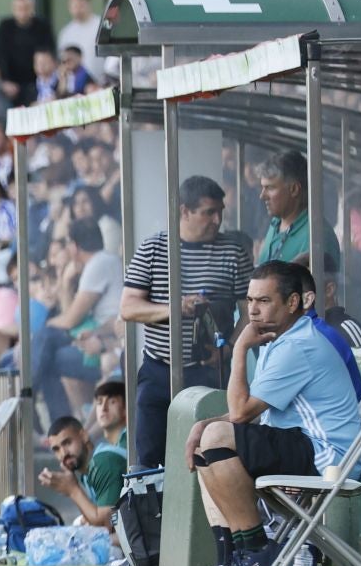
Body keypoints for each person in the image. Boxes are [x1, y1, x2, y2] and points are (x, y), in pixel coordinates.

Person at [184, 262, 361, 566]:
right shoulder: (280, 341)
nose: (253, 310)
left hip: (328, 456)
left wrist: (239, 347)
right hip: (304, 445)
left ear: (293, 303)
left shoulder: (298, 345)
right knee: (207, 440)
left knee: (217, 437)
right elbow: (247, 413)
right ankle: (240, 554)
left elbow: (239, 413)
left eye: (263, 301)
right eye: (250, 300)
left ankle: (256, 551)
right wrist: (203, 425)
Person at [120, 176, 253, 467]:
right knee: (149, 457)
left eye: (220, 212)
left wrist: (229, 347)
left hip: (210, 371)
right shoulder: (153, 248)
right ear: (184, 211)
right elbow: (129, 308)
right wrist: (175, 309)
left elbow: (249, 311)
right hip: (158, 369)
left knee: (211, 451)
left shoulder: (233, 252)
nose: (217, 220)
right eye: (208, 212)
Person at [35, 218, 122, 422]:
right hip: (98, 334)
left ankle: (51, 415)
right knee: (46, 350)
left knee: (47, 350)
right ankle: (59, 423)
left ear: (74, 246)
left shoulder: (98, 263)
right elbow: (70, 317)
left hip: (108, 345)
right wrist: (65, 282)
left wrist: (44, 328)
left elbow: (70, 320)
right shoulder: (104, 260)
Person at [254, 149, 341, 272]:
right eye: (262, 188)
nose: (262, 196)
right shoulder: (275, 222)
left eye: (270, 188)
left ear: (294, 189)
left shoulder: (317, 236)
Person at [39, 417, 127, 528]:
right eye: (56, 449)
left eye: (67, 443)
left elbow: (106, 524)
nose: (63, 453)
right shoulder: (86, 475)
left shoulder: (103, 462)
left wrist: (73, 490)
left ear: (84, 436)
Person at [0, 0, 56, 105]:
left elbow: (49, 53)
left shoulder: (43, 26)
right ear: (13, 9)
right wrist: (5, 81)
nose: (22, 12)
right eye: (19, 8)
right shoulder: (5, 27)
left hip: (38, 81)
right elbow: (0, 56)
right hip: (12, 83)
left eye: (26, 8)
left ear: (32, 8)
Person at [57, 0, 102, 84]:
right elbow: (63, 61)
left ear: (89, 4)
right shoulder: (66, 33)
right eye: (74, 6)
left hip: (100, 84)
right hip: (75, 88)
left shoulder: (101, 26)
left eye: (81, 5)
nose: (77, 9)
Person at [90, 378, 128, 455]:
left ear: (126, 409)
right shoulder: (104, 447)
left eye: (112, 402)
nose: (104, 408)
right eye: (99, 402)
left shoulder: (131, 444)